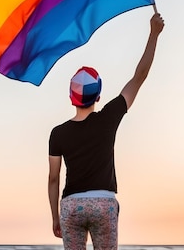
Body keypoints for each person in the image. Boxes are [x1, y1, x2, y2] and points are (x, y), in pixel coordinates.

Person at [48, 13, 165, 250]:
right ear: (98, 96)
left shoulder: (57, 133)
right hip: (104, 202)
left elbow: (53, 178)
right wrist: (154, 34)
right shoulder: (109, 117)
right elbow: (139, 77)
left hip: (71, 205)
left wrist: (55, 217)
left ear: (71, 97)